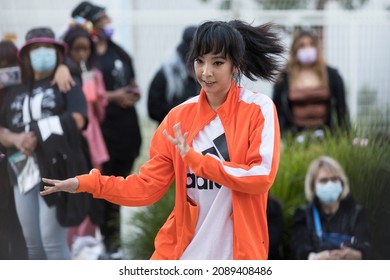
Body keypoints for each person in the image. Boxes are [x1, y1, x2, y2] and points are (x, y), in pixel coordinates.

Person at [41, 19, 284, 260]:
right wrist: (87, 184)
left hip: (237, 258)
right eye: (200, 61)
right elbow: (146, 188)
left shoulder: (258, 109)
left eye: (217, 63)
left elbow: (260, 177)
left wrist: (196, 161)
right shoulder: (178, 117)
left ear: (235, 65)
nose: (206, 72)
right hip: (180, 256)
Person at [0, 27, 90, 259]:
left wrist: (37, 133)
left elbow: (79, 119)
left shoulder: (65, 82)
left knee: (52, 241)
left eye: (48, 48)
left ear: (58, 53)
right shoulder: (14, 89)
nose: (42, 53)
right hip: (21, 170)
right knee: (32, 243)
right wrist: (17, 139)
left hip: (56, 169)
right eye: (36, 48)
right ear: (26, 55)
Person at [71, 1, 142, 255]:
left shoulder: (119, 52)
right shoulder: (83, 57)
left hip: (126, 136)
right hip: (99, 140)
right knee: (97, 193)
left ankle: (114, 247)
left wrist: (132, 93)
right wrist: (113, 96)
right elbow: (87, 95)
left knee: (118, 194)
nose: (107, 22)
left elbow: (133, 83)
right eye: (101, 19)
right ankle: (99, 244)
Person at [62, 23, 109, 254]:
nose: (82, 54)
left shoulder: (94, 75)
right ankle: (71, 241)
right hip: (73, 139)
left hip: (93, 139)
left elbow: (100, 114)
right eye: (77, 49)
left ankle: (88, 240)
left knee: (92, 185)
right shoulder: (64, 75)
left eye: (86, 49)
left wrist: (95, 98)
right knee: (73, 185)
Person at [291, 156, 372, 260]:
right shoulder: (303, 215)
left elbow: (367, 247)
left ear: (342, 183)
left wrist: (355, 255)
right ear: (312, 187)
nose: (330, 184)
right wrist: (315, 259)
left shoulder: (357, 213)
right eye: (323, 181)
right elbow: (299, 248)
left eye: (334, 179)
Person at [272, 30, 350, 138]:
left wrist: (346, 135)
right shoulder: (284, 77)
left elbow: (342, 109)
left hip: (326, 134)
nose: (307, 48)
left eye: (311, 44)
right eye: (302, 45)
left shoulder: (331, 75)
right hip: (294, 136)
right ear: (295, 50)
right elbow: (276, 110)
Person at [0, 40, 27, 260]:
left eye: (10, 66)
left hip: (20, 166)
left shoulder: (22, 91)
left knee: (20, 227)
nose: (5, 72)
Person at [147, 25, 200, 124]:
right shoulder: (166, 72)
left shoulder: (204, 75)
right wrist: (184, 105)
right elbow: (154, 110)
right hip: (171, 128)